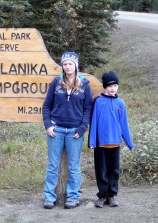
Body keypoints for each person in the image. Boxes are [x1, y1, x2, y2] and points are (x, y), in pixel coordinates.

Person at [42, 51, 93, 209]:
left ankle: (73, 196)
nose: (67, 66)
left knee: (73, 166)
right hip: (56, 130)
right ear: (62, 66)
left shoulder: (84, 84)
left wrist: (83, 127)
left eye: (70, 63)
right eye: (65, 64)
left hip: (74, 132)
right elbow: (46, 106)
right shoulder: (56, 83)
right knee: (52, 165)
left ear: (76, 65)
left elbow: (88, 109)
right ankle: (49, 197)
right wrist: (48, 125)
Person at [88, 71, 134, 208]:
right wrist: (92, 141)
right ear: (105, 87)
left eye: (115, 85)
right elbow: (94, 122)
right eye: (110, 86)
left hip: (115, 144)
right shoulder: (98, 102)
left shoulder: (120, 103)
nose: (113, 88)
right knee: (101, 171)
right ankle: (102, 196)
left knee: (114, 170)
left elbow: (124, 125)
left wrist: (129, 143)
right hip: (100, 144)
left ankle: (112, 195)